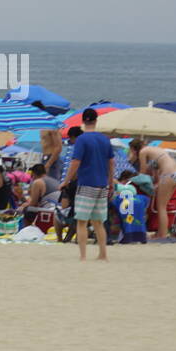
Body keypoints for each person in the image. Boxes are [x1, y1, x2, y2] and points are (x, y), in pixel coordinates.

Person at [63, 109, 114, 261]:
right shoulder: (105, 139)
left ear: (83, 121)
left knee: (82, 222)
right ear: (96, 121)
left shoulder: (82, 140)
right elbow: (111, 162)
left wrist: (66, 181)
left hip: (87, 184)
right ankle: (103, 254)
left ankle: (83, 256)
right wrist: (110, 182)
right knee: (99, 222)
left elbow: (75, 162)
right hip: (102, 185)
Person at [128, 137, 176, 238]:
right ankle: (161, 232)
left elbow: (142, 173)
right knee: (163, 205)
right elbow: (156, 172)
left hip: (167, 174)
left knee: (161, 207)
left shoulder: (143, 151)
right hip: (175, 173)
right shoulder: (155, 150)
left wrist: (132, 159)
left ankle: (162, 234)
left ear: (133, 149)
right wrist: (156, 183)